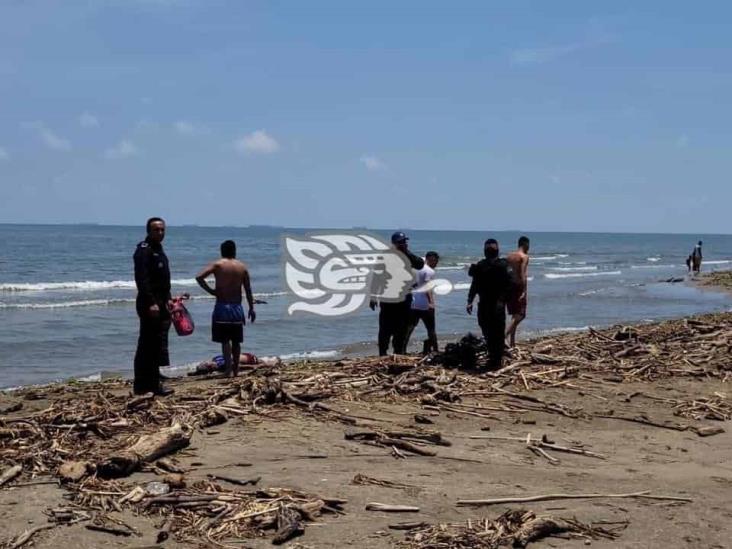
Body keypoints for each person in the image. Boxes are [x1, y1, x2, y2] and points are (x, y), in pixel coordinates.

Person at [196, 240, 256, 377]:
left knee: (225, 341)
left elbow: (199, 277)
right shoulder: (242, 267)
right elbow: (248, 289)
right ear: (234, 251)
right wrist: (251, 308)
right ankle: (236, 370)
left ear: (221, 251)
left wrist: (211, 291)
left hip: (222, 307)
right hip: (237, 308)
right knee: (236, 341)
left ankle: (228, 370)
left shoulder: (218, 265)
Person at [133, 217, 174, 396]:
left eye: (162, 230)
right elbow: (142, 280)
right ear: (148, 231)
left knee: (157, 343)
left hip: (162, 302)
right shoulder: (144, 250)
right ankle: (147, 384)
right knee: (148, 345)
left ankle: (153, 379)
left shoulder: (159, 249)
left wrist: (169, 299)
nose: (160, 233)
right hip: (150, 304)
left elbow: (163, 280)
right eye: (156, 230)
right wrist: (151, 303)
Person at [370, 231, 425, 355]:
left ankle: (398, 352)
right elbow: (376, 277)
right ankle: (382, 353)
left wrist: (406, 252)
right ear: (394, 244)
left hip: (405, 297)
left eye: (405, 242)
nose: (404, 244)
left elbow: (420, 265)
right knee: (385, 328)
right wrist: (372, 296)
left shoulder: (408, 256)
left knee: (402, 328)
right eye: (401, 242)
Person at [466, 239, 511, 370]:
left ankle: (496, 360)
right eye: (488, 248)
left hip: (497, 304)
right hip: (484, 303)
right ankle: (493, 357)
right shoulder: (481, 266)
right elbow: (474, 284)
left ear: (497, 250)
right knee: (486, 329)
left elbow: (510, 285)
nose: (490, 251)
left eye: (492, 248)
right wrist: (470, 301)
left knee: (497, 332)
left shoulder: (503, 265)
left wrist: (503, 301)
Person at [405, 251, 440, 354]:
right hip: (424, 305)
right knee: (431, 329)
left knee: (410, 328)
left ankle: (402, 349)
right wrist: (431, 302)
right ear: (429, 259)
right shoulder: (429, 271)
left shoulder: (415, 269)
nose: (436, 264)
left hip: (413, 303)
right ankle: (436, 350)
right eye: (435, 261)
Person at [505, 236, 530, 348]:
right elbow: (523, 274)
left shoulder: (509, 256)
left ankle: (512, 342)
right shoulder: (524, 256)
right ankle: (504, 336)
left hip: (509, 286)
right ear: (525, 244)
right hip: (518, 286)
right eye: (528, 245)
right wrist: (524, 291)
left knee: (514, 315)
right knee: (520, 315)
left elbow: (507, 271)